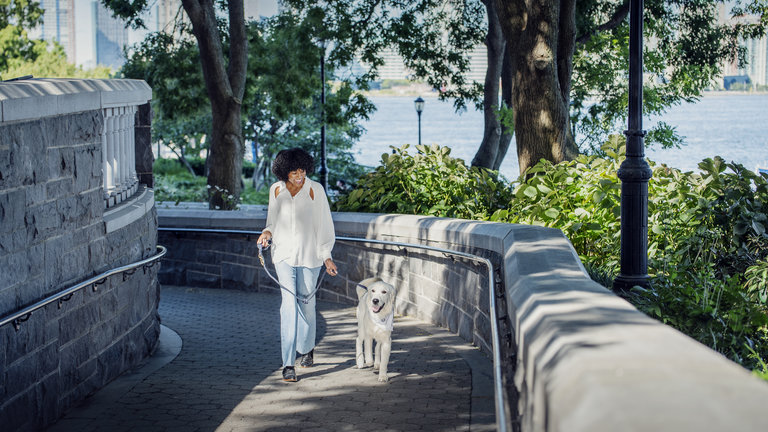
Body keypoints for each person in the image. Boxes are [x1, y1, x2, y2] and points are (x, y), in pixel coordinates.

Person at [256, 147, 338, 382]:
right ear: (284, 172)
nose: (299, 176)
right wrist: (266, 233)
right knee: (289, 307)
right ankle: (288, 364)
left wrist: (326, 256)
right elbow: (272, 221)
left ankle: (307, 347)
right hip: (283, 255)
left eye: (302, 170)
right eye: (294, 172)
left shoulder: (315, 190)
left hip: (310, 257)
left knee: (307, 306)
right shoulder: (276, 190)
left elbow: (325, 225)